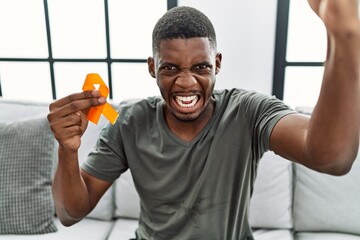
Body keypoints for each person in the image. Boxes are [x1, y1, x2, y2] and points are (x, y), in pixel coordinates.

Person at [47, 1, 360, 239]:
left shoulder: (248, 111)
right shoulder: (130, 121)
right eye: (170, 68)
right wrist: (68, 149)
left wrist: (343, 35)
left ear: (217, 64)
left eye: (200, 67)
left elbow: (331, 157)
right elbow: (70, 212)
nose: (186, 83)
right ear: (152, 67)